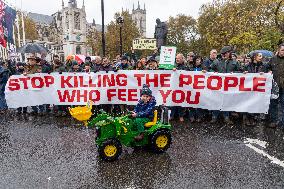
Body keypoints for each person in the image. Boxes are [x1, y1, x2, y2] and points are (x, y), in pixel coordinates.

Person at [210, 46, 241, 125]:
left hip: (229, 86)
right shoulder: (217, 61)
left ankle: (226, 117)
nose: (225, 55)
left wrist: (234, 74)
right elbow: (210, 69)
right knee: (216, 100)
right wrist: (214, 73)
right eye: (223, 54)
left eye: (226, 53)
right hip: (218, 85)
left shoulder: (235, 62)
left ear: (229, 53)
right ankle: (214, 116)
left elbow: (240, 71)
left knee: (226, 101)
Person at [243, 52, 269, 126]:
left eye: (261, 56)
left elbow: (267, 74)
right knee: (248, 102)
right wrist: (243, 73)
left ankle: (253, 117)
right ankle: (247, 118)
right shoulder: (247, 66)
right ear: (254, 57)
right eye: (259, 56)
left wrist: (265, 73)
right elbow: (241, 73)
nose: (261, 57)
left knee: (255, 102)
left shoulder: (263, 66)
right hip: (249, 88)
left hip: (257, 88)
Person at [268, 43, 284, 128]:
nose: (283, 52)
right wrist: (268, 71)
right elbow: (267, 68)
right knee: (273, 104)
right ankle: (273, 121)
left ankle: (282, 123)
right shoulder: (272, 59)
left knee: (283, 105)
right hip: (274, 87)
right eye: (282, 50)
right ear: (278, 50)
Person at [188, 56, 206, 122]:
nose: (198, 61)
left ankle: (199, 116)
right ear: (194, 60)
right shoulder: (190, 67)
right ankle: (192, 116)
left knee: (199, 102)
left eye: (200, 60)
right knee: (191, 102)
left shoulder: (203, 68)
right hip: (191, 87)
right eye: (197, 60)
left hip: (200, 88)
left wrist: (205, 72)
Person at [171, 53, 188, 122]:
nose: (177, 59)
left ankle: (181, 115)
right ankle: (172, 115)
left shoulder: (185, 66)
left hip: (182, 86)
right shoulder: (173, 65)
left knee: (181, 101)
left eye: (178, 58)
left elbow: (188, 74)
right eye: (176, 58)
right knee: (173, 100)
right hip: (174, 86)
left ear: (182, 59)